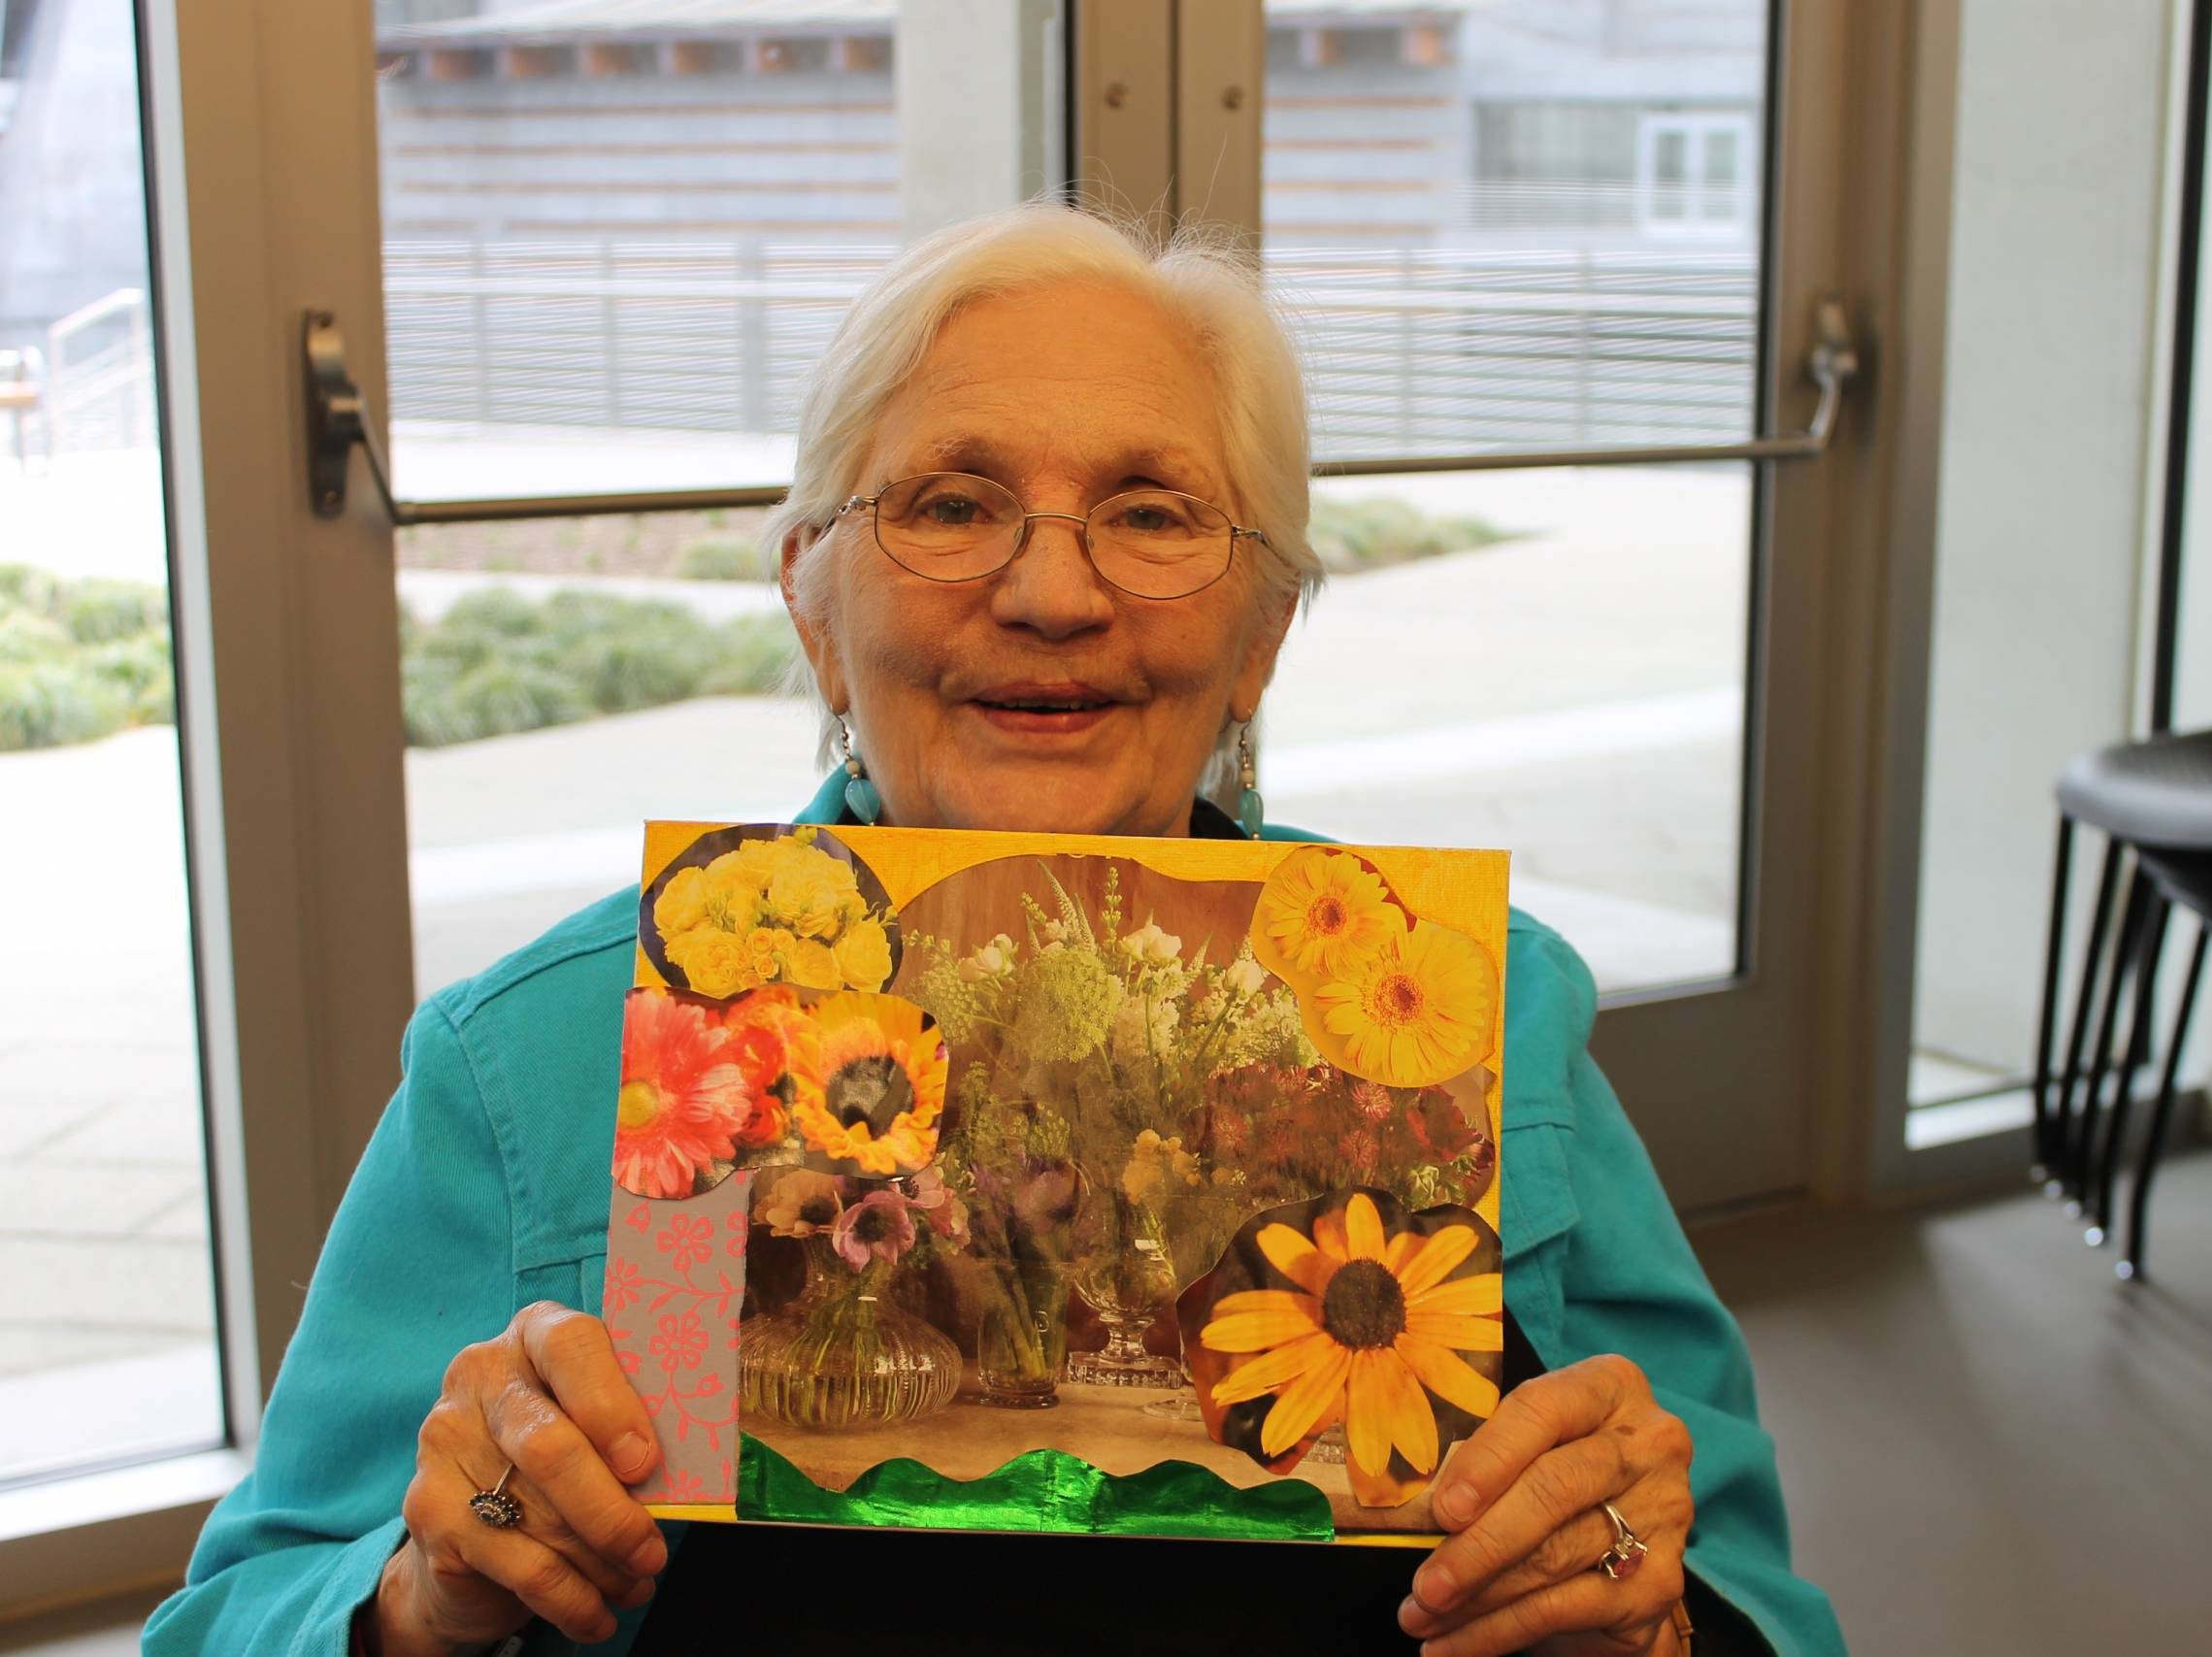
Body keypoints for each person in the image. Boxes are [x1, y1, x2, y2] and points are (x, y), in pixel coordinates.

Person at [145, 205, 1844, 1657]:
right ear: (814, 605)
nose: (1051, 592)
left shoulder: (1483, 1019)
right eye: (952, 503)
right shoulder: (533, 1063)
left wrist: (1656, 1601)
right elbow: (241, 1610)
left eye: (1155, 511)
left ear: (1258, 644)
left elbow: (1761, 1599)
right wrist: (418, 1601)